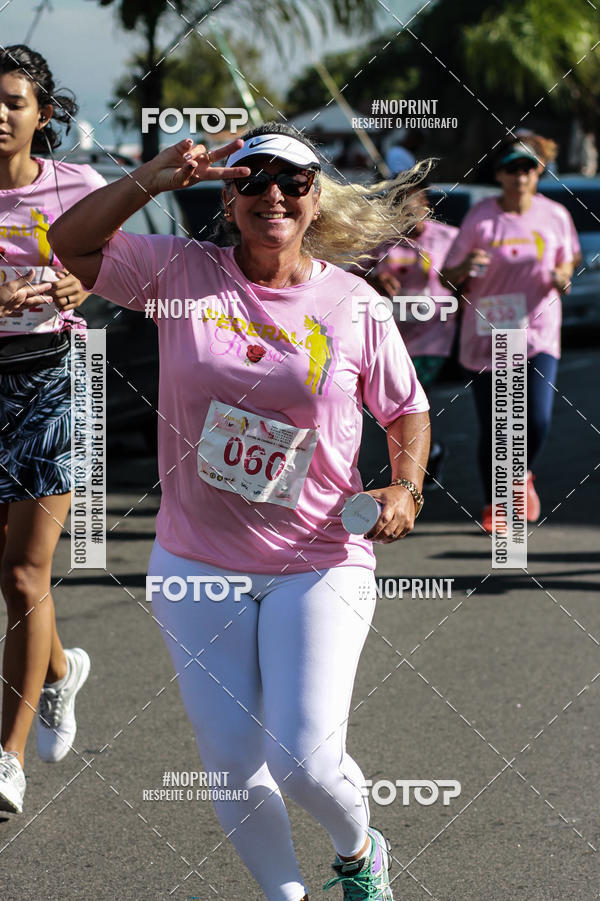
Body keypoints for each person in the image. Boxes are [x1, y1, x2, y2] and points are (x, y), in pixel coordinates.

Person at [48, 122, 430, 901]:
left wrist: (406, 487)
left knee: (303, 758)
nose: (273, 196)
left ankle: (360, 852)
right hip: (195, 561)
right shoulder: (181, 272)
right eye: (252, 180)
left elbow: (406, 410)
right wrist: (151, 178)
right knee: (230, 759)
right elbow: (68, 243)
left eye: (292, 182)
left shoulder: (352, 304)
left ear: (315, 198)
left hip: (317, 559)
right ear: (228, 195)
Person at [0, 45, 105, 815]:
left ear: (42, 114)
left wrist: (84, 281)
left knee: (23, 576)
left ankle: (7, 758)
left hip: (49, 379)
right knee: (7, 575)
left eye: (13, 101)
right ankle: (62, 669)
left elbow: (119, 266)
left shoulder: (78, 187)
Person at [441, 137, 579, 533]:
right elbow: (447, 276)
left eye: (528, 168)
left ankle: (520, 477)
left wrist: (563, 275)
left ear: (538, 172)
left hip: (537, 331)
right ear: (500, 173)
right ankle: (495, 506)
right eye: (512, 168)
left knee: (535, 420)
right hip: (487, 333)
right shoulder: (480, 218)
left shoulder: (555, 216)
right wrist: (465, 264)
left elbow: (569, 257)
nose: (520, 176)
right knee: (497, 425)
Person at [364, 186, 459, 485]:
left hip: (434, 332)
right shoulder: (381, 241)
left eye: (410, 209)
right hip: (392, 334)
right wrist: (375, 278)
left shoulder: (448, 238)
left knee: (413, 395)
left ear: (425, 206)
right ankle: (430, 452)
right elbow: (352, 272)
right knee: (393, 401)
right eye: (398, 210)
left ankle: (414, 465)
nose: (405, 217)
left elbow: (462, 275)